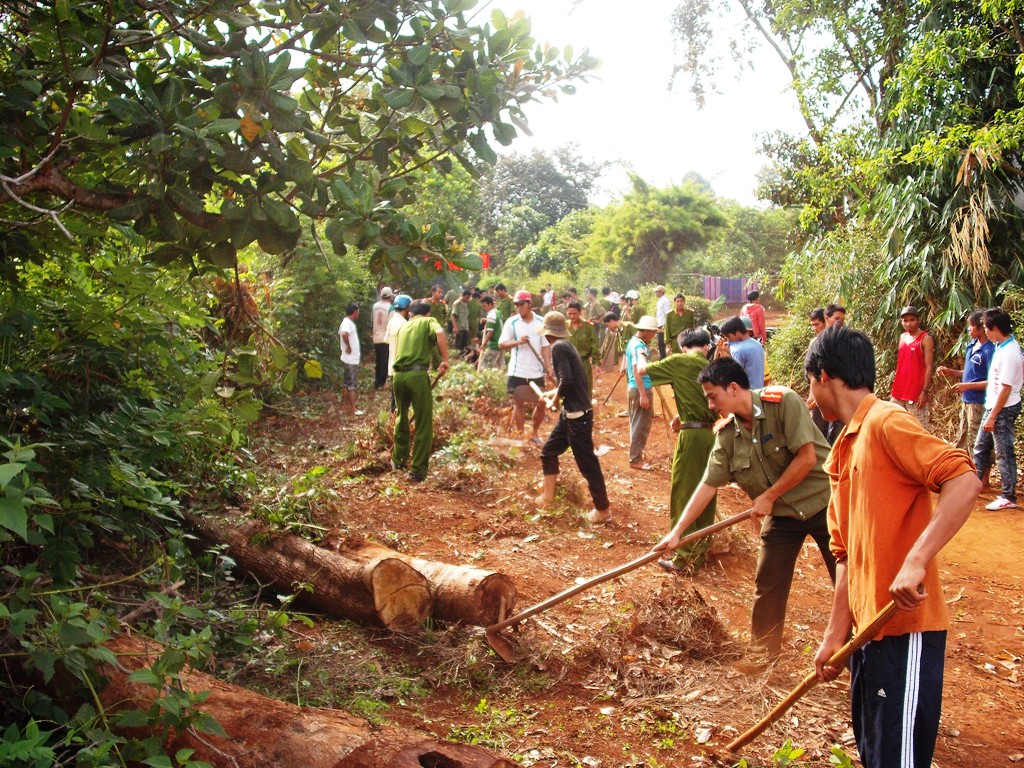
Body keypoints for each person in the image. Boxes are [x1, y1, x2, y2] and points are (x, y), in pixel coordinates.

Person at [807, 325, 980, 768]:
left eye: (810, 384)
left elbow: (963, 480)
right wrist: (834, 636)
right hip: (867, 632)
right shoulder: (842, 451)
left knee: (896, 760)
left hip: (904, 630)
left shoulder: (886, 421)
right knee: (876, 753)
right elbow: (844, 555)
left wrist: (916, 561)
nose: (810, 398)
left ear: (824, 375)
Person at [652, 358, 837, 660]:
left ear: (734, 387)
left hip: (824, 504)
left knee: (846, 578)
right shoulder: (726, 435)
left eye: (713, 396)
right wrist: (677, 533)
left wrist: (769, 495)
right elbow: (707, 485)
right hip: (782, 515)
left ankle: (862, 653)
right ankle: (763, 654)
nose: (711, 405)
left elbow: (805, 458)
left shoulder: (783, 402)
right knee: (768, 583)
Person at [645, 328, 718, 571]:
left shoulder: (679, 361)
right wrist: (680, 413)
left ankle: (684, 557)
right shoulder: (713, 366)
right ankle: (699, 552)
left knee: (685, 493)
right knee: (706, 494)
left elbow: (643, 373)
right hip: (711, 434)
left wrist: (638, 353)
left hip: (692, 437)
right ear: (706, 346)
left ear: (683, 347)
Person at [533, 312, 612, 523]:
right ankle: (547, 496)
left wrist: (555, 398)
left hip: (578, 418)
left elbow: (566, 382)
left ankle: (603, 511)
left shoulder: (558, 347)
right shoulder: (566, 345)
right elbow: (570, 382)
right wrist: (553, 394)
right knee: (548, 451)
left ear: (548, 332)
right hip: (570, 414)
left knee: (588, 465)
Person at [392, 302, 450, 482]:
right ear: (427, 313)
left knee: (401, 416)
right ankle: (417, 470)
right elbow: (439, 333)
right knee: (423, 421)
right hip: (416, 376)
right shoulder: (428, 321)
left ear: (410, 314)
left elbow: (428, 346)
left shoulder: (403, 327)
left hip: (398, 376)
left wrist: (437, 361)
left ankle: (399, 460)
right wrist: (446, 360)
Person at [973, 307, 1022, 510]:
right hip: (994, 407)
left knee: (1004, 451)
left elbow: (1006, 388)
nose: (985, 331)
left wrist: (993, 415)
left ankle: (1008, 495)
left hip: (1002, 408)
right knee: (981, 447)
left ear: (995, 328)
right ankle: (971, 485)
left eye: (986, 327)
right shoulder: (1002, 347)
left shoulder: (1010, 353)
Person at [498, 289, 554, 444]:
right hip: (518, 370)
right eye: (516, 305)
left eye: (521, 304)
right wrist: (518, 342)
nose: (518, 308)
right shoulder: (512, 322)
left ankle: (534, 434)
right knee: (519, 403)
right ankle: (521, 434)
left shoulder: (541, 322)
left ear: (529, 304)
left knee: (541, 403)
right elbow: (501, 344)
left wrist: (548, 367)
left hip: (536, 371)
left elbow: (545, 347)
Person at [936, 309, 994, 453]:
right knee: (963, 437)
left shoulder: (990, 351)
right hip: (967, 401)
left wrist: (968, 386)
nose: (969, 329)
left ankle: (979, 473)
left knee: (977, 441)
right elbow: (968, 374)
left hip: (979, 402)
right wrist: (949, 372)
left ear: (981, 328)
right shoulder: (971, 346)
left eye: (972, 325)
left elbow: (994, 381)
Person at [891, 305, 934, 429]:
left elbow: (929, 366)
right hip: (899, 392)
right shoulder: (902, 337)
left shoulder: (925, 339)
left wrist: (924, 391)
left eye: (912, 320)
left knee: (919, 430)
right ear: (901, 322)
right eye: (905, 320)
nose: (908, 324)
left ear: (918, 320)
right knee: (896, 427)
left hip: (915, 394)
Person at [626, 315, 658, 470]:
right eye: (652, 332)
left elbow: (629, 365)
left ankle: (635, 455)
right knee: (642, 425)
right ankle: (636, 459)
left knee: (635, 422)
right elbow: (637, 369)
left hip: (633, 388)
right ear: (646, 331)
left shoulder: (632, 342)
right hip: (640, 388)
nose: (653, 336)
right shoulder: (640, 347)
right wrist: (644, 394)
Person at [716, 315, 765, 389]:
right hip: (758, 391)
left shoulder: (738, 350)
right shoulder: (757, 344)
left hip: (745, 393)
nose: (728, 340)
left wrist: (722, 351)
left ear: (738, 332)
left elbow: (733, 375)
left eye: (729, 336)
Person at [384, 294, 413, 410]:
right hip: (403, 367)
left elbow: (386, 340)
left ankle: (393, 421)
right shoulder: (404, 324)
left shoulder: (392, 321)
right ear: (407, 308)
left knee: (395, 398)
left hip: (393, 365)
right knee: (401, 401)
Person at [566, 301, 598, 400]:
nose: (572, 316)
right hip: (568, 363)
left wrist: (597, 362)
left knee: (585, 387)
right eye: (569, 313)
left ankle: (586, 410)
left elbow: (594, 345)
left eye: (574, 313)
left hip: (583, 362)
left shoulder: (588, 326)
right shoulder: (564, 326)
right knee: (568, 387)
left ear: (580, 312)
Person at [338, 302, 363, 416]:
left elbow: (340, 335)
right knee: (352, 384)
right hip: (350, 359)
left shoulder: (345, 322)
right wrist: (348, 346)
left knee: (346, 383)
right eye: (358, 311)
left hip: (347, 358)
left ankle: (346, 407)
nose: (359, 313)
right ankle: (353, 408)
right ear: (355, 312)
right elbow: (343, 334)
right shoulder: (347, 323)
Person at [371, 287, 394, 390]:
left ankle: (377, 382)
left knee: (378, 360)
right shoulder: (390, 308)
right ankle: (381, 383)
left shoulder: (374, 306)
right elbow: (391, 324)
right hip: (385, 338)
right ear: (390, 296)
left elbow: (372, 319)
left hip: (376, 337)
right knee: (384, 361)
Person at [477, 295, 505, 371]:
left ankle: (486, 381)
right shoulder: (497, 312)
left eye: (485, 306)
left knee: (485, 365)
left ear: (490, 304)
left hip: (494, 344)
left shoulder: (491, 315)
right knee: (500, 367)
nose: (484, 308)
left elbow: (490, 332)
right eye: (483, 306)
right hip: (501, 343)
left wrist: (483, 344)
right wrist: (486, 320)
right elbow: (495, 323)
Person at [450, 288, 471, 356]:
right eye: (466, 297)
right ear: (462, 295)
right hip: (459, 328)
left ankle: (463, 357)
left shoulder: (465, 304)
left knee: (465, 345)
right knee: (458, 345)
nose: (467, 299)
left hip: (465, 328)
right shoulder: (457, 303)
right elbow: (453, 316)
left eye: (468, 298)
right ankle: (456, 358)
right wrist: (455, 327)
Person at [654, 285, 671, 359]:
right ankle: (662, 357)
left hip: (663, 324)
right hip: (659, 323)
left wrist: (665, 324)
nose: (656, 293)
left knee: (661, 342)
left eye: (657, 292)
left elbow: (667, 313)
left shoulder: (665, 300)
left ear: (661, 292)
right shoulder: (660, 300)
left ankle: (663, 358)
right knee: (660, 342)